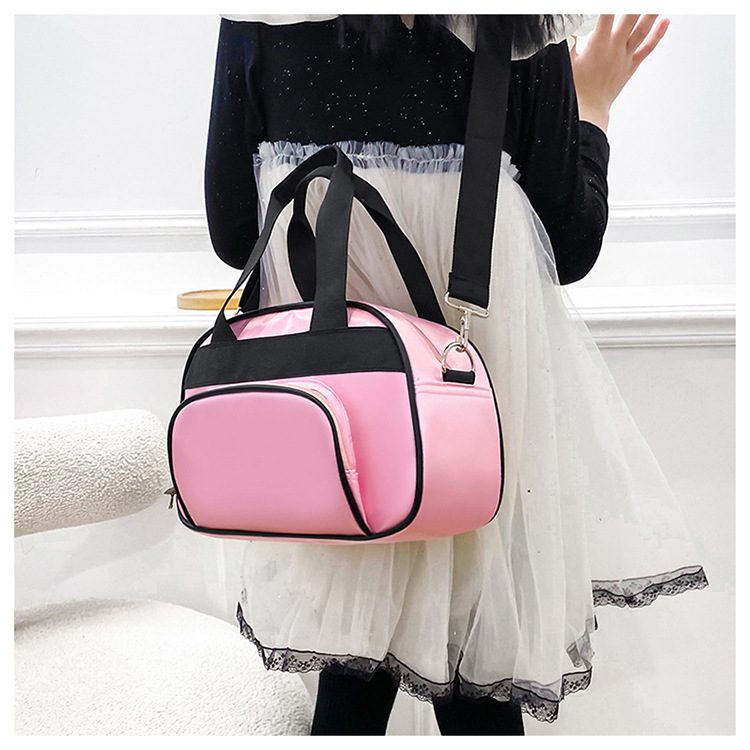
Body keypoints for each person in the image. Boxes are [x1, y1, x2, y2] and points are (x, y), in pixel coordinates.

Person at [204, 14, 708, 735]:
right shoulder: (514, 22)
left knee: (356, 650)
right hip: (469, 401)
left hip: (332, 410)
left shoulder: (265, 17)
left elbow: (234, 233)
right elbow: (568, 243)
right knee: (474, 657)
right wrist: (593, 105)